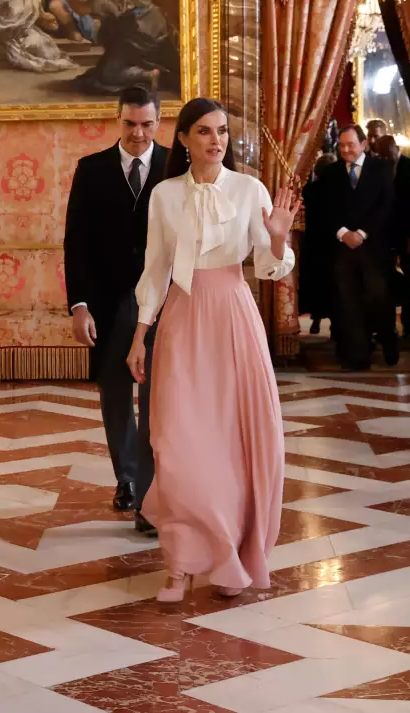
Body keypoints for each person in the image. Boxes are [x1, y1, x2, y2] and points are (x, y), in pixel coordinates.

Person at [125, 97, 298, 602]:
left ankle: (229, 558)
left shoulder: (249, 190)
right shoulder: (163, 196)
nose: (215, 140)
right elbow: (155, 269)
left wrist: (280, 239)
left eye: (221, 130)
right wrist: (140, 333)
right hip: (181, 320)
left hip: (233, 318)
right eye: (203, 131)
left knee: (232, 444)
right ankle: (178, 565)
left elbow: (270, 265)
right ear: (183, 139)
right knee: (175, 443)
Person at [63, 85, 168, 533]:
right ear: (117, 121)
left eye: (147, 124)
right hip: (107, 301)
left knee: (158, 394)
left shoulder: (174, 166)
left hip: (163, 297)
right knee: (116, 393)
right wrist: (79, 305)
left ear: (158, 122)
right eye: (130, 124)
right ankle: (127, 478)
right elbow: (77, 242)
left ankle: (155, 484)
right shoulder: (91, 169)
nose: (139, 133)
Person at [317, 125, 397, 370]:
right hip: (343, 248)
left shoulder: (381, 169)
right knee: (347, 301)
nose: (345, 150)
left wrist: (362, 233)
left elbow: (386, 206)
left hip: (372, 247)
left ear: (363, 144)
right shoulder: (331, 174)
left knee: (378, 296)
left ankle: (388, 339)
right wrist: (343, 234)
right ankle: (357, 355)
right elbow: (326, 209)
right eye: (341, 146)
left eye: (350, 145)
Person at [373, 135, 410, 339]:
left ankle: (408, 327)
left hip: (409, 236)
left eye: (388, 154)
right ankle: (384, 327)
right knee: (383, 282)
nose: (386, 158)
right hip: (384, 236)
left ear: (396, 148)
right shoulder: (378, 170)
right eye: (382, 155)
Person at [300, 153, 337, 336]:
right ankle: (334, 325)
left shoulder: (310, 190)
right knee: (333, 286)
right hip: (332, 244)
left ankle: (315, 320)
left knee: (316, 284)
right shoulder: (339, 191)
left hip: (313, 243)